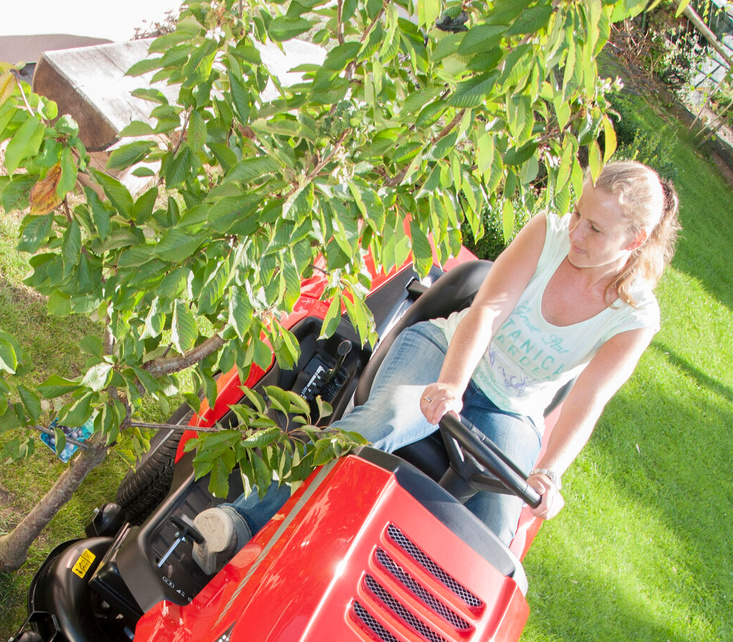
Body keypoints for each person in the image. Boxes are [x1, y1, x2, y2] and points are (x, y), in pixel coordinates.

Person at [192, 160, 680, 573]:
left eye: (594, 229)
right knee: (391, 418)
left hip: (511, 413)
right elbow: (487, 311)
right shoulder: (548, 235)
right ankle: (240, 521)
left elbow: (588, 398)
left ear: (635, 239)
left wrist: (549, 475)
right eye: (578, 213)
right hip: (446, 353)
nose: (575, 231)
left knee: (496, 535)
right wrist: (451, 384)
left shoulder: (635, 317)